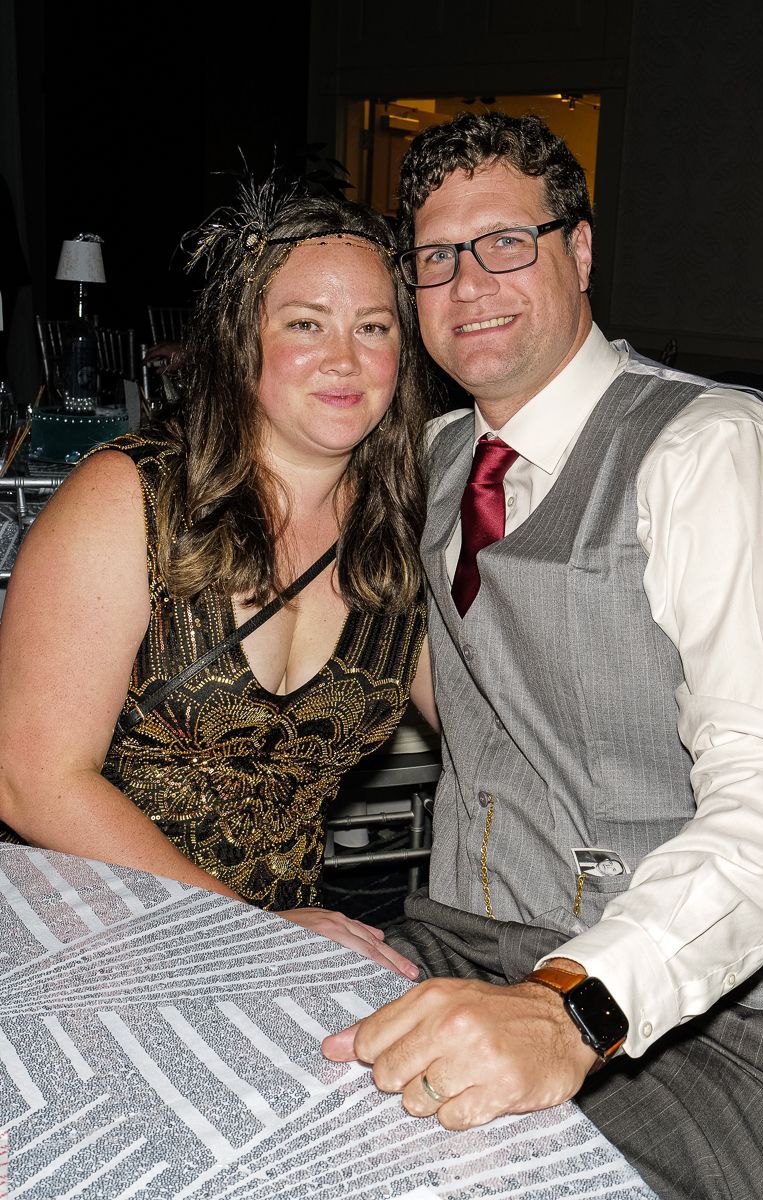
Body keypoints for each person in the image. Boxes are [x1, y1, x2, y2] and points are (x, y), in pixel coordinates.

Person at [322, 111, 763, 1198]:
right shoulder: (434, 457)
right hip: (455, 934)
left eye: (505, 242)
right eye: (435, 257)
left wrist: (571, 1005)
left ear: (577, 251)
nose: (466, 282)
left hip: (686, 1013)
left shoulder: (711, 448)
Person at [0, 180, 439, 979]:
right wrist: (254, 933)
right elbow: (33, 778)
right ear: (245, 340)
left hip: (282, 955)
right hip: (82, 939)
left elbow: (492, 731)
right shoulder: (127, 497)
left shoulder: (406, 535)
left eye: (373, 328)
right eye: (306, 324)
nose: (345, 358)